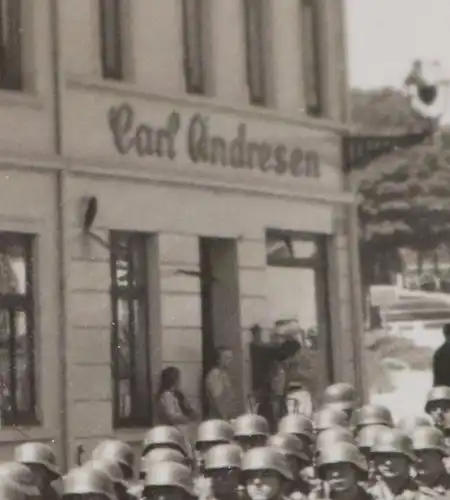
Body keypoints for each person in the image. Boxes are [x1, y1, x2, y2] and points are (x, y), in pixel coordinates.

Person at [155, 366, 199, 454]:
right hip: (173, 432)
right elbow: (172, 416)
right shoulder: (167, 395)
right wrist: (186, 420)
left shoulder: (176, 395)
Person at [205, 348, 238, 420]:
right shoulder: (215, 374)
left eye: (231, 358)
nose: (230, 360)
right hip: (220, 418)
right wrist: (225, 418)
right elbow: (218, 399)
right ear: (218, 359)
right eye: (227, 358)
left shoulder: (223, 374)